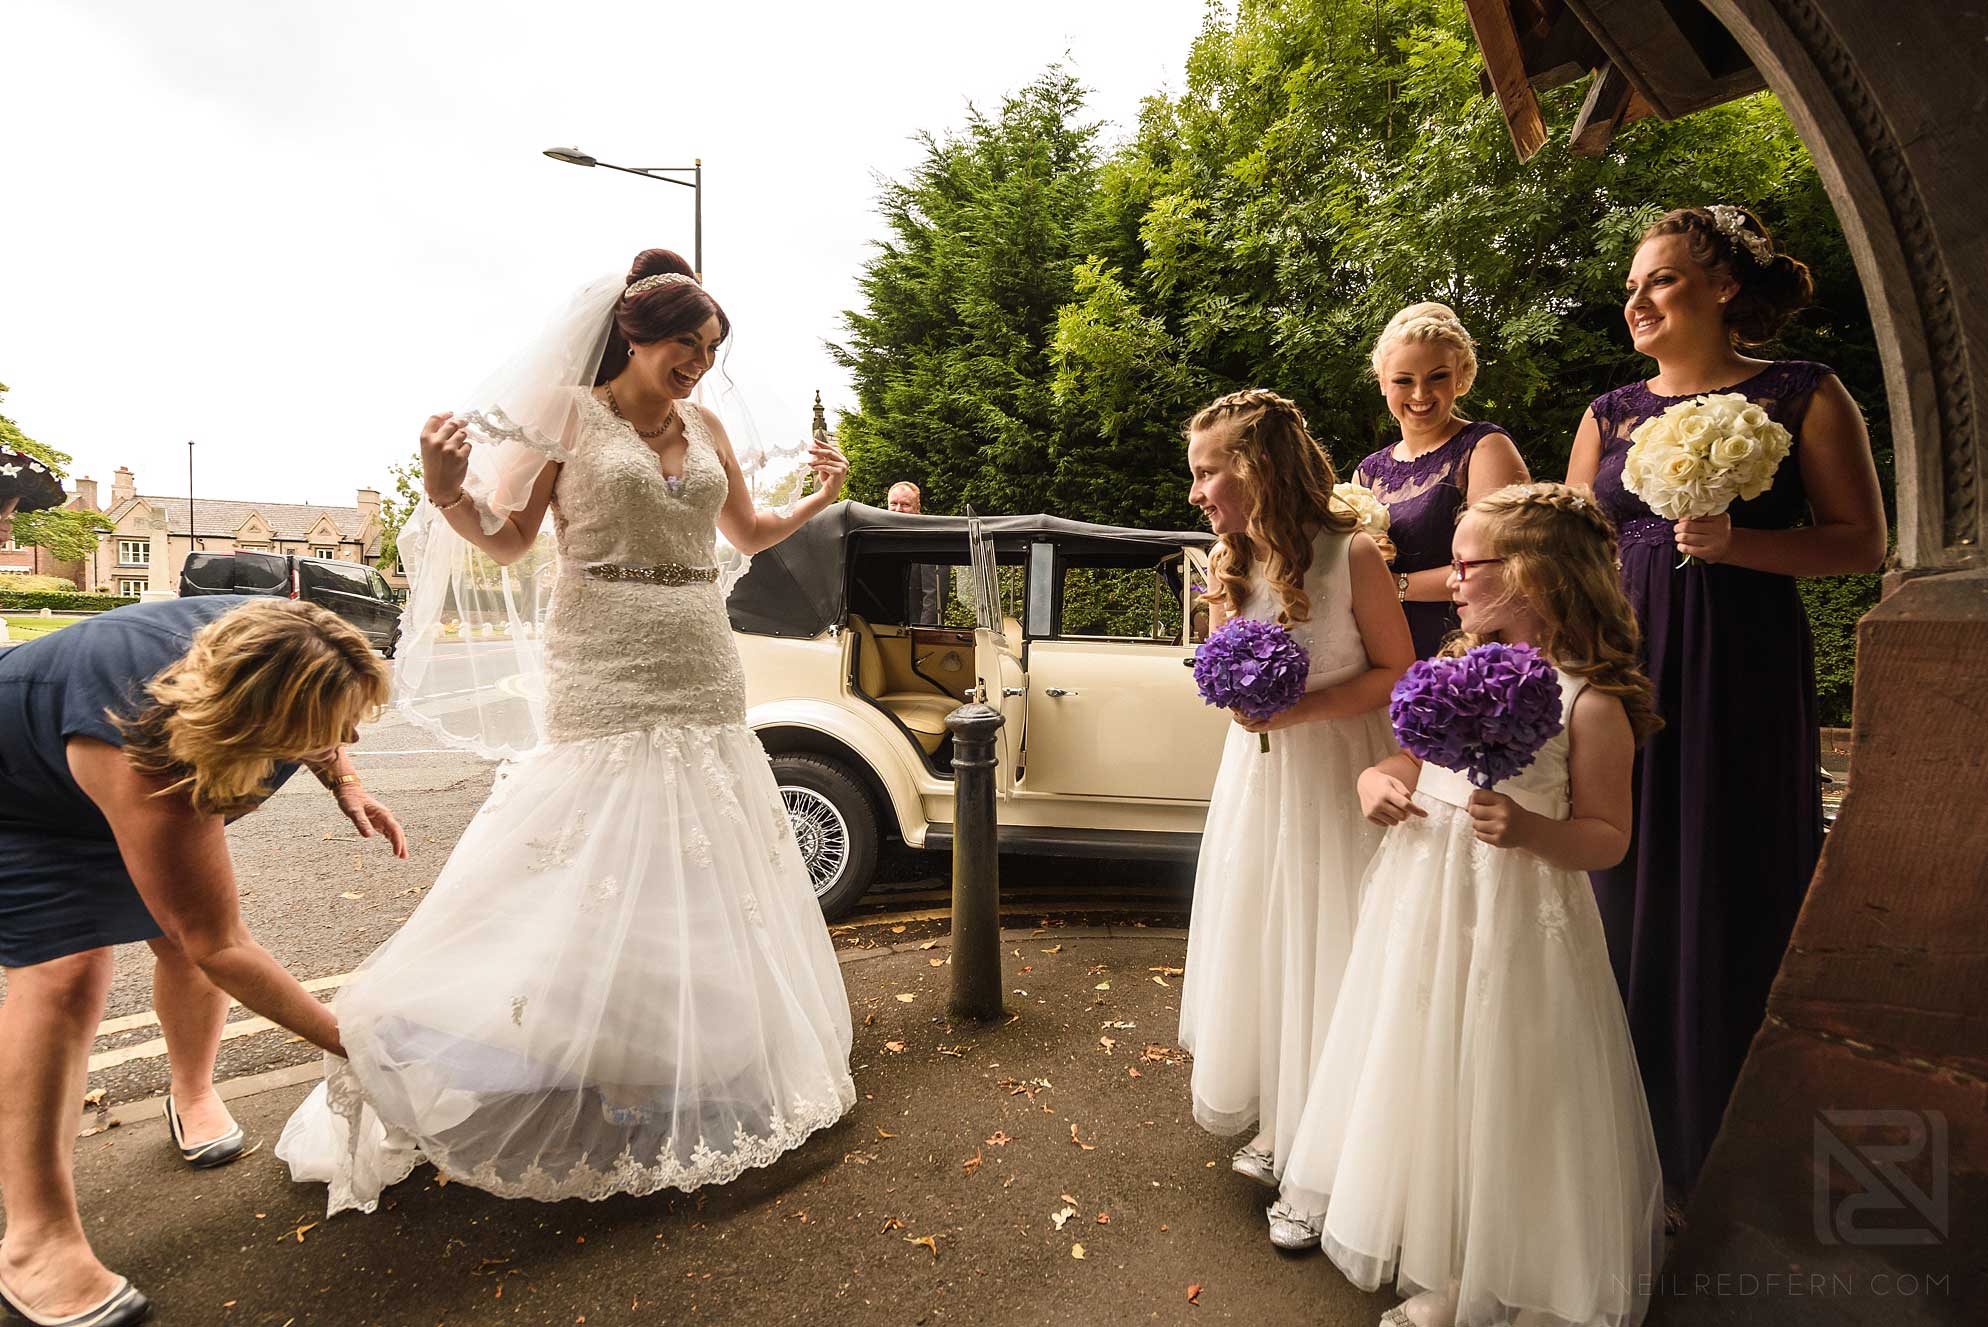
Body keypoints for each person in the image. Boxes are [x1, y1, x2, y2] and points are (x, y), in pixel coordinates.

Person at [278, 249, 858, 1217]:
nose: (699, 365)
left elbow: (745, 537)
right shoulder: (567, 416)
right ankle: (533, 1046)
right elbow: (505, 540)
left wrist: (815, 498)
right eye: (685, 343)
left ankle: (668, 1056)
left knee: (705, 867)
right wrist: (441, 486)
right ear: (632, 335)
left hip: (702, 662)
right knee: (589, 856)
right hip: (600, 662)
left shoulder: (705, 424)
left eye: (710, 350)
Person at [1270, 484, 1664, 1327]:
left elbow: (1606, 836)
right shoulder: (1446, 672)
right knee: (1429, 1079)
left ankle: (1519, 1277)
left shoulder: (1589, 702)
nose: (1449, 578)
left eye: (1466, 563)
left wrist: (1528, 828)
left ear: (1532, 577)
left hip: (1519, 921)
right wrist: (1374, 778)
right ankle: (1450, 1268)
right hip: (1424, 907)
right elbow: (1403, 767)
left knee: (1511, 1087)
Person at [1566, 205, 1887, 1208]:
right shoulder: (1607, 412)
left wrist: (1738, 542)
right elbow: (1565, 550)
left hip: (1736, 673)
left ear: (1719, 287)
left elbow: (1859, 544)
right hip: (1618, 669)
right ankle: (1605, 1142)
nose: (1635, 300)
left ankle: (1720, 1144)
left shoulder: (1804, 395)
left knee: (1726, 872)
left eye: (1657, 279)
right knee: (1611, 870)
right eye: (1630, 286)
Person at [0, 596, 402, 1327]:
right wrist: (355, 1043)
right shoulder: (148, 756)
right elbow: (220, 944)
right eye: (329, 724)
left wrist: (346, 781)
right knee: (68, 972)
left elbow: (317, 693)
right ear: (254, 722)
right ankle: (34, 1240)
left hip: (164, 739)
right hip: (23, 789)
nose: (346, 733)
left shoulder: (285, 633)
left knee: (174, 936)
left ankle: (191, 1093)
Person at [1176, 389, 1413, 1190]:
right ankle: (1282, 1117)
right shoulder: (1225, 557)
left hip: (1341, 772)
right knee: (1268, 937)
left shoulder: (1354, 556)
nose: (1198, 492)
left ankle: (1333, 1150)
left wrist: (1299, 704)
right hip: (1259, 778)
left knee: (1333, 944)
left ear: (1256, 468)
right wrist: (1241, 692)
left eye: (1209, 473)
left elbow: (1398, 674)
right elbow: (1223, 669)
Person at [1350, 303, 1529, 658]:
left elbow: (1503, 567)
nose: (1420, 395)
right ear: (1383, 383)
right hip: (1381, 648)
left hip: (1461, 642)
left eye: (1437, 377)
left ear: (1460, 376)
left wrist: (1396, 586)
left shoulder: (1485, 448)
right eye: (1404, 380)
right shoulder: (1367, 472)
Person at [888, 482, 949, 624]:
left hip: (915, 634)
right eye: (894, 503)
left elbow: (934, 597)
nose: (898, 510)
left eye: (905, 505)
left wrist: (925, 635)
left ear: (917, 508)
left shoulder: (930, 540)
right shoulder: (878, 538)